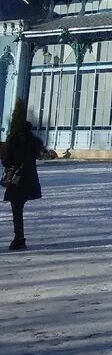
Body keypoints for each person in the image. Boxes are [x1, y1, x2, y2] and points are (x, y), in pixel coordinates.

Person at [2, 99, 43, 251]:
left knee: (16, 210)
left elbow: (6, 162)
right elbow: (39, 154)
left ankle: (19, 237)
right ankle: (19, 237)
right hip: (30, 180)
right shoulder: (35, 142)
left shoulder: (13, 142)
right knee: (18, 208)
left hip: (16, 180)